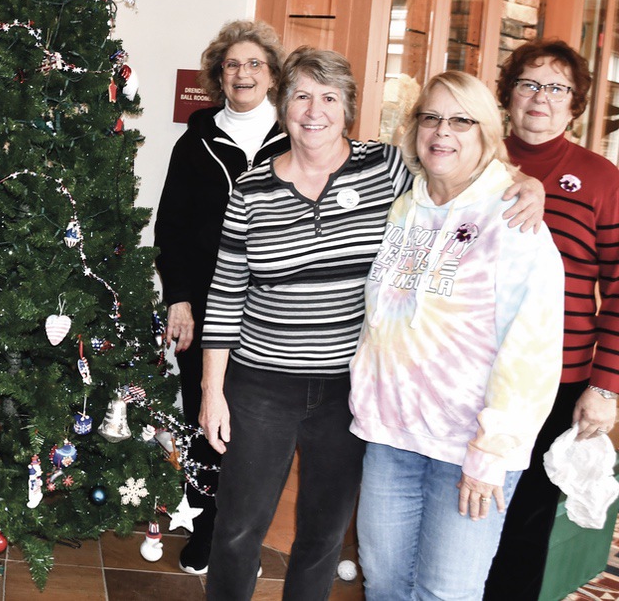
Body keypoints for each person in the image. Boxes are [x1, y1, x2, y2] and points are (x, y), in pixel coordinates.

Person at [198, 49, 544, 601]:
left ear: (349, 109)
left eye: (330, 98)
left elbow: (463, 164)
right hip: (262, 383)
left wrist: (527, 183)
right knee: (238, 529)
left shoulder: (385, 168)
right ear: (282, 106)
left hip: (348, 393)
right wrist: (212, 391)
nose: (315, 111)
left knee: (323, 535)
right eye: (302, 96)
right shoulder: (251, 189)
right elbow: (224, 294)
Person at [351, 70, 563, 600]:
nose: (443, 131)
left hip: (469, 448)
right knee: (384, 587)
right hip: (391, 437)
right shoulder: (405, 205)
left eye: (461, 120)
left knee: (446, 594)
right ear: (415, 130)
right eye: (431, 117)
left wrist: (491, 452)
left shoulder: (514, 218)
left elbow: (531, 349)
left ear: (487, 134)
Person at [484, 41, 619, 599]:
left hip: (555, 380)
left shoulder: (601, 178)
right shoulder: (476, 163)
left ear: (575, 106)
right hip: (470, 373)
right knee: (466, 505)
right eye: (528, 84)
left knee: (525, 519)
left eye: (557, 88)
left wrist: (605, 387)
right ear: (508, 96)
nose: (541, 98)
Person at [153, 19, 288, 575]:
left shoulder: (300, 135)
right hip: (205, 309)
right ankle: (208, 533)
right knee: (202, 419)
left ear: (273, 75)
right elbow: (171, 228)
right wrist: (178, 299)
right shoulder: (196, 139)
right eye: (232, 64)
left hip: (277, 313)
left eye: (255, 63)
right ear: (219, 76)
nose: (243, 73)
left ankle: (244, 544)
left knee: (259, 431)